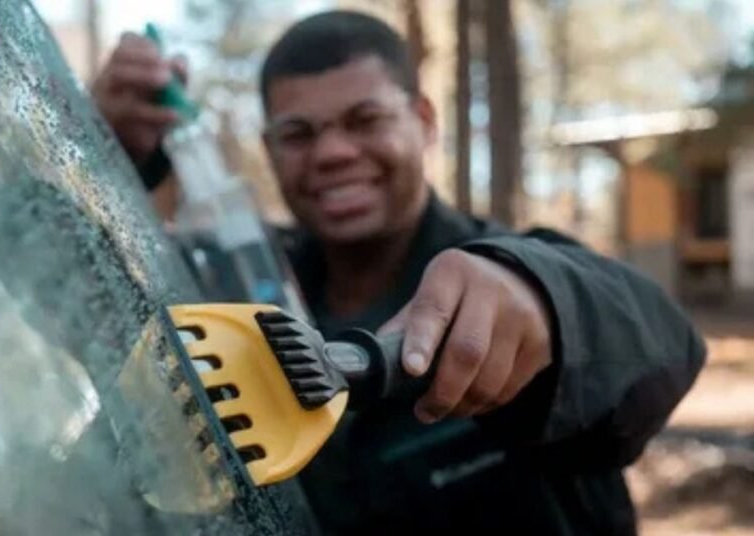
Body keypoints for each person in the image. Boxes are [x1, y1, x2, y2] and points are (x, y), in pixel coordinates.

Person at [92, 10, 706, 536]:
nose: (333, 152)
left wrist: (545, 303)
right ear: (270, 148)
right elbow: (93, 308)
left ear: (425, 120)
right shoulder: (240, 294)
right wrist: (108, 157)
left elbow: (663, 345)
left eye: (365, 120)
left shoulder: (509, 265)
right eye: (299, 133)